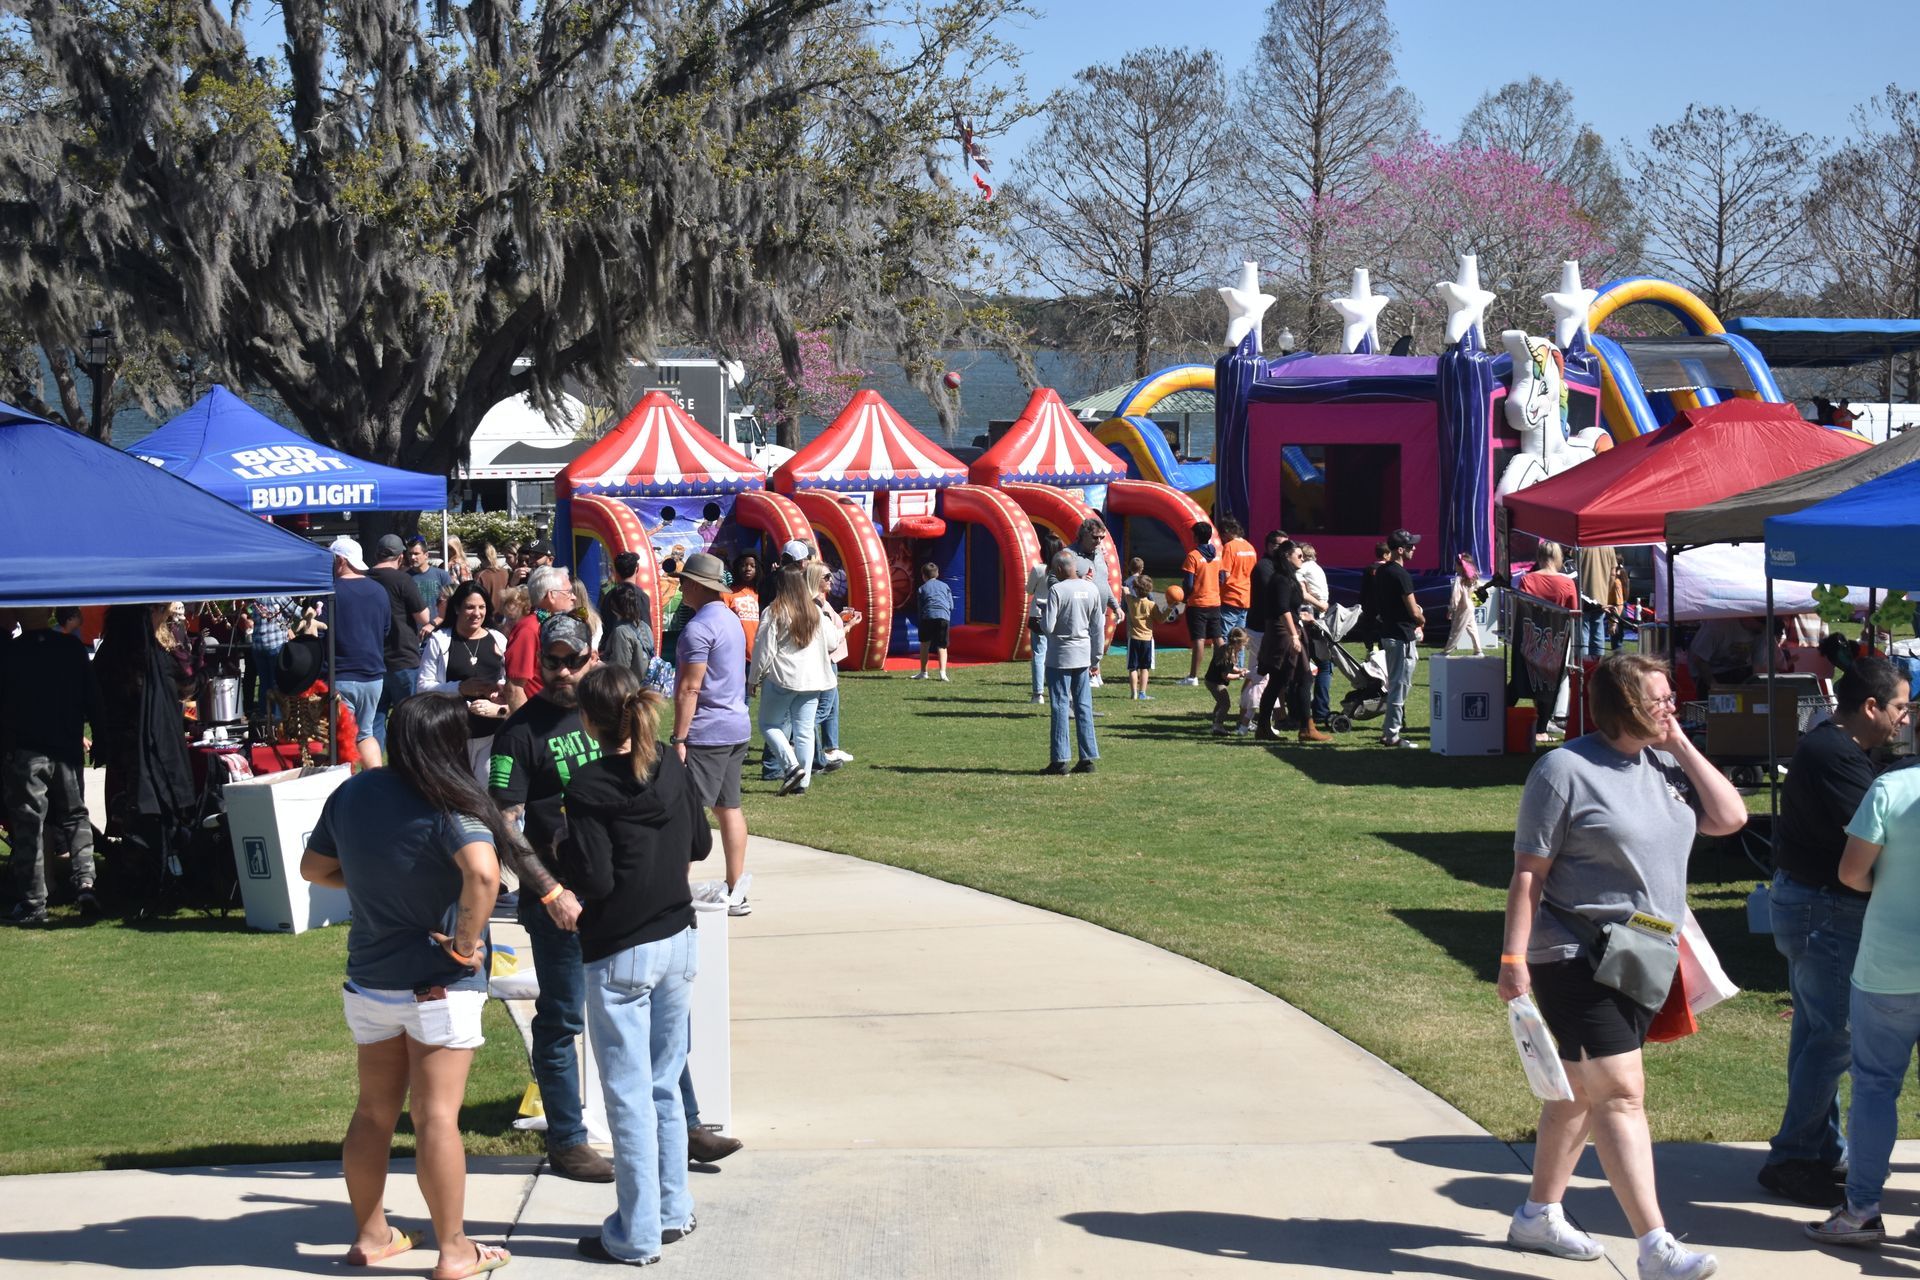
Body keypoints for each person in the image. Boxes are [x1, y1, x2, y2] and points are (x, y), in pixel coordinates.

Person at [1497, 653, 1745, 1280]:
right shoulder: (1564, 770)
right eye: (1660, 699)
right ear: (1623, 703)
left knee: (1581, 1092)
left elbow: (1730, 818)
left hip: (1643, 955)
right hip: (1573, 956)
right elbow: (1530, 874)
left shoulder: (1663, 764)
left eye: (1672, 699)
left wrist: (1682, 743)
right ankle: (1656, 1246)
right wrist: (1512, 960)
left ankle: (1537, 1214)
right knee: (1621, 1096)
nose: (1671, 707)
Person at [299, 692, 518, 1280]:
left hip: (370, 979)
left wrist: (374, 880)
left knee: (373, 1113)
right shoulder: (452, 801)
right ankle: (455, 1250)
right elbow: (483, 873)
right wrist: (468, 944)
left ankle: (371, 1237)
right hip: (441, 982)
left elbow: (313, 870)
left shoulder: (352, 792)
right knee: (436, 1118)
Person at [560, 664, 711, 1266]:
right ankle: (672, 1209)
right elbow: (698, 845)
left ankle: (638, 1231)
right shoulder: (670, 765)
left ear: (589, 721)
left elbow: (593, 878)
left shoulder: (591, 785)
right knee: (664, 1084)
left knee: (628, 1096)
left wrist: (563, 850)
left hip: (622, 947)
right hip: (676, 938)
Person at [1760, 658, 1912, 1208]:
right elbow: (1878, 839)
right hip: (1824, 910)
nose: (1903, 719)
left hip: (1811, 905)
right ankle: (1795, 1157)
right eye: (1898, 707)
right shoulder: (1836, 756)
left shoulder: (1834, 747)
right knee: (1834, 1039)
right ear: (1870, 706)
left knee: (1817, 1035)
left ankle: (1819, 1146)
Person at [488, 614, 615, 1185]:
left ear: (592, 657)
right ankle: (567, 1141)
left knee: (649, 1014)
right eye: (551, 662)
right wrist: (550, 890)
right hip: (558, 902)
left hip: (620, 895)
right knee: (562, 1019)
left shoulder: (609, 716)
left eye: (572, 660)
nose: (561, 671)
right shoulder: (519, 732)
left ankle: (682, 1121)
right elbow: (505, 824)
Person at [1809, 710, 1920, 1246]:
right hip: (1888, 967)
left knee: (1875, 1087)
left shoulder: (1891, 788)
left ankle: (1861, 1210)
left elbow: (1851, 872)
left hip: (1890, 966)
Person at [1, 608, 101, 924]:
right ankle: (85, 881)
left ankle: (34, 900)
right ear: (48, 613)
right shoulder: (71, 648)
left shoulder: (11, 653)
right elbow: (92, 696)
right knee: (75, 815)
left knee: (29, 826)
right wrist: (100, 735)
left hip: (28, 751)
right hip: (67, 746)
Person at [669, 552, 753, 914]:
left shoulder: (698, 627)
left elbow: (690, 688)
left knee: (685, 814)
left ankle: (670, 892)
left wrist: (679, 738)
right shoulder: (730, 619)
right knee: (729, 808)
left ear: (696, 585)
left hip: (707, 733)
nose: (681, 585)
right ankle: (737, 889)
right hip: (736, 726)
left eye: (685, 580)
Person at [750, 561, 844, 796]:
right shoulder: (815, 611)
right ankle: (802, 783)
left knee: (769, 724)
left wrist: (753, 678)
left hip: (783, 677)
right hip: (813, 680)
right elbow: (833, 642)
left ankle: (791, 768)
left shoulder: (775, 610)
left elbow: (763, 649)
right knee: (804, 731)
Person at [419, 581, 511, 782]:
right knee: (459, 796)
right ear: (456, 608)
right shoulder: (440, 640)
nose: (476, 613)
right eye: (470, 607)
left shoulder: (498, 639)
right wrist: (459, 688)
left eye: (482, 607)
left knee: (491, 796)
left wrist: (499, 691)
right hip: (452, 735)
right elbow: (422, 689)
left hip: (493, 734)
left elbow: (511, 681)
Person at [327, 537, 400, 769]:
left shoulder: (330, 592)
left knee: (341, 737)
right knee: (365, 733)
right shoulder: (379, 591)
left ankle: (346, 790)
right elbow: (386, 629)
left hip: (341, 676)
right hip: (373, 676)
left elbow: (317, 634)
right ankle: (376, 784)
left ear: (340, 560)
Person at [1255, 541, 1329, 743]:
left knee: (1278, 680)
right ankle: (1307, 727)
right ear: (1287, 556)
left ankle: (1264, 727)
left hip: (1287, 630)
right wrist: (1294, 635)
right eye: (1299, 555)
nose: (1302, 558)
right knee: (1304, 678)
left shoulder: (1289, 578)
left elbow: (1290, 607)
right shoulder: (1280, 580)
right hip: (1285, 635)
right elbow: (1282, 610)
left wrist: (1302, 617)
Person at [1037, 548, 1101, 775]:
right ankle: (1088, 757)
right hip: (1083, 654)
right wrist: (1097, 656)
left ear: (1058, 569)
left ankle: (1060, 759)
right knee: (1084, 706)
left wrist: (1042, 615)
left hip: (1060, 656)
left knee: (1060, 705)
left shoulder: (1057, 591)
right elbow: (1097, 626)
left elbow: (1049, 626)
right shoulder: (1090, 589)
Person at [368, 534, 432, 738]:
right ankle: (407, 762)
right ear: (400, 556)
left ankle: (376, 765)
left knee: (375, 720)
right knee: (409, 719)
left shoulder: (364, 577)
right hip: (403, 657)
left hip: (374, 660)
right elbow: (424, 617)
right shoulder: (403, 579)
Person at [1375, 528, 1424, 749]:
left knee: (1396, 684)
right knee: (1399, 685)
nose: (1415, 548)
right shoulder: (1401, 574)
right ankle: (1392, 734)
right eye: (1411, 545)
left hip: (1389, 633)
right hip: (1401, 636)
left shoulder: (1383, 572)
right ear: (1401, 550)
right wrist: (1422, 618)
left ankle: (1390, 732)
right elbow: (1414, 611)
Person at [504, 565, 576, 712]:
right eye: (568, 592)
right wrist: (527, 731)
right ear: (551, 595)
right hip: (540, 719)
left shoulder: (557, 624)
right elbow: (515, 688)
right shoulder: (529, 629)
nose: (573, 597)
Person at [1237, 530, 1286, 734]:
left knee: (1268, 675)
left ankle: (1275, 716)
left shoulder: (1276, 567)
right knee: (1257, 675)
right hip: (1259, 629)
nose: (1285, 550)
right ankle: (1244, 720)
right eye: (1280, 546)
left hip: (1267, 628)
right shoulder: (1264, 568)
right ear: (1270, 546)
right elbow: (1273, 596)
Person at [1178, 521, 1225, 685]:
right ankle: (1222, 670)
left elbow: (1189, 583)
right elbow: (1222, 578)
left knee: (1198, 639)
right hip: (1214, 601)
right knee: (1218, 638)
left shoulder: (1193, 556)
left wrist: (1185, 596)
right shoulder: (1217, 554)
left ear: (1196, 537)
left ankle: (1193, 676)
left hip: (1198, 603)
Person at [1296, 541, 1333, 729]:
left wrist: (1320, 605)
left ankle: (1317, 709)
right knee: (1324, 665)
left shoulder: (1303, 569)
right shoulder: (1317, 568)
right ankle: (1319, 708)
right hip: (1322, 617)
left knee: (1319, 665)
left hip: (1313, 616)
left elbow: (1302, 593)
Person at [244, 595, 301, 716]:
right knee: (278, 684)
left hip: (258, 646)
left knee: (265, 684)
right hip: (276, 644)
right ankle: (278, 720)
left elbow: (249, 612)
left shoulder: (253, 595)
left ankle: (265, 717)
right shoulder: (278, 594)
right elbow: (297, 611)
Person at [1025, 531, 1064, 705]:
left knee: (1039, 654)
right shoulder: (1063, 571)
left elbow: (1029, 590)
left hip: (1039, 616)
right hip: (1058, 616)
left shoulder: (1039, 569)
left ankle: (1038, 693)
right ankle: (1057, 688)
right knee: (1057, 654)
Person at [1123, 573, 1172, 701]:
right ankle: (1142, 693)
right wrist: (1169, 608)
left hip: (1133, 638)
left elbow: (1125, 590)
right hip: (1147, 640)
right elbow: (1161, 619)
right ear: (1149, 589)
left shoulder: (1131, 601)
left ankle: (1133, 692)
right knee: (1145, 668)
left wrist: (1127, 585)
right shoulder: (1151, 605)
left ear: (1136, 588)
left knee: (1132, 667)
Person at [598, 582, 655, 683]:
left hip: (631, 688)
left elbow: (620, 669)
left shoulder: (621, 632)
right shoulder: (644, 626)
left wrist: (600, 665)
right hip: (646, 684)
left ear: (613, 606)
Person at [910, 563, 952, 682]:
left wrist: (921, 620)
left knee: (925, 644)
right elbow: (951, 605)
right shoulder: (945, 586)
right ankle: (943, 673)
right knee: (942, 646)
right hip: (943, 616)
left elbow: (920, 607)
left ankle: (924, 672)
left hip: (928, 616)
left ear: (923, 576)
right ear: (937, 574)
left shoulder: (922, 588)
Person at [1575, 546, 1618, 661]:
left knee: (1582, 630)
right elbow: (1613, 573)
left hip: (1582, 597)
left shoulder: (1581, 545)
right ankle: (1596, 664)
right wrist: (1606, 590)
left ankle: (1582, 664)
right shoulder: (1609, 547)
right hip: (1601, 596)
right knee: (1598, 629)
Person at [1205, 627, 1250, 735]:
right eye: (1243, 644)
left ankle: (1215, 723)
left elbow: (1230, 667)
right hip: (1215, 682)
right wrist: (1240, 675)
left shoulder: (1229, 649)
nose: (1243, 647)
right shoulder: (1227, 654)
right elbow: (1226, 675)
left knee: (1221, 702)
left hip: (1213, 680)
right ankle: (1218, 726)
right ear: (1237, 643)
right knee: (1225, 704)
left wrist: (1238, 669)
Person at [1218, 517, 1258, 636]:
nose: (1222, 539)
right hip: (1245, 597)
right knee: (1240, 637)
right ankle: (1238, 656)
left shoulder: (1230, 546)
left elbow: (1225, 574)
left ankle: (1225, 655)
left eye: (1222, 535)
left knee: (1225, 636)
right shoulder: (1250, 547)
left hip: (1231, 596)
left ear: (1226, 532)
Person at [407, 537, 456, 627]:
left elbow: (451, 604)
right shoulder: (405, 578)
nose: (412, 557)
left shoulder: (442, 576)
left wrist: (435, 623)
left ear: (426, 555)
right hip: (413, 632)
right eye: (410, 554)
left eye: (416, 554)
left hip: (437, 629)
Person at [1447, 554, 1486, 657]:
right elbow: (1481, 586)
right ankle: (1478, 650)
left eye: (1456, 564)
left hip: (1462, 608)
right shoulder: (1472, 579)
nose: (1455, 566)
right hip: (1470, 606)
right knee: (1473, 629)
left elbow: (1456, 597)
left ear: (1460, 566)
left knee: (1456, 630)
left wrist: (1451, 609)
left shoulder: (1459, 580)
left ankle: (1447, 651)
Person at [476, 544, 512, 622]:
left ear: (480, 557)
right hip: (503, 616)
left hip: (488, 617)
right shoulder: (505, 572)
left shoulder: (480, 576)